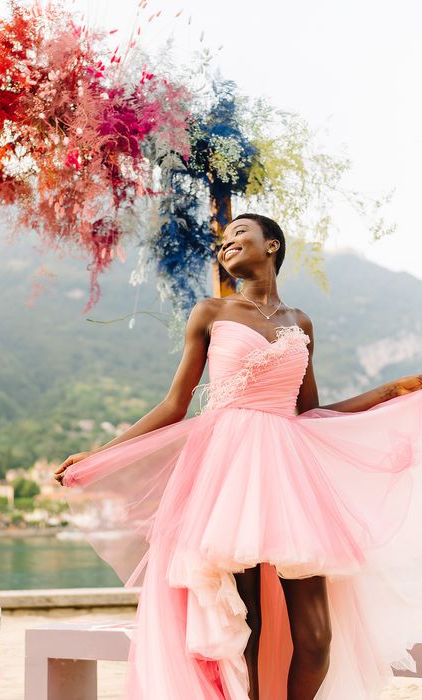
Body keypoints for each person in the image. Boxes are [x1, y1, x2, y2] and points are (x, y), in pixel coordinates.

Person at [55, 213, 422, 700]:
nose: (227, 245)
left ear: (271, 245)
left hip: (291, 475)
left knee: (316, 638)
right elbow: (174, 404)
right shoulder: (210, 311)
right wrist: (101, 455)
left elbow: (310, 412)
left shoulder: (301, 322)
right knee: (246, 630)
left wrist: (390, 390)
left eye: (239, 235)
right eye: (223, 241)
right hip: (227, 472)